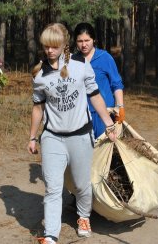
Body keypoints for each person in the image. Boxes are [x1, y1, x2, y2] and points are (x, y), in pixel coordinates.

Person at [27, 23, 116, 244]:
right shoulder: (39, 74)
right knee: (53, 187)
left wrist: (108, 123)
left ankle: (84, 217)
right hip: (52, 137)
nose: (49, 51)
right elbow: (38, 107)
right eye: (46, 46)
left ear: (64, 45)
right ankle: (51, 235)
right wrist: (32, 136)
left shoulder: (80, 64)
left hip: (80, 136)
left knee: (81, 185)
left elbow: (94, 95)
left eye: (54, 46)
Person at [73, 22, 125, 139]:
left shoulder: (105, 58)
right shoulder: (73, 61)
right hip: (82, 116)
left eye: (87, 40)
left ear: (94, 40)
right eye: (80, 41)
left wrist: (120, 107)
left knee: (105, 153)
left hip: (104, 114)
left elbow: (116, 84)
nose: (84, 44)